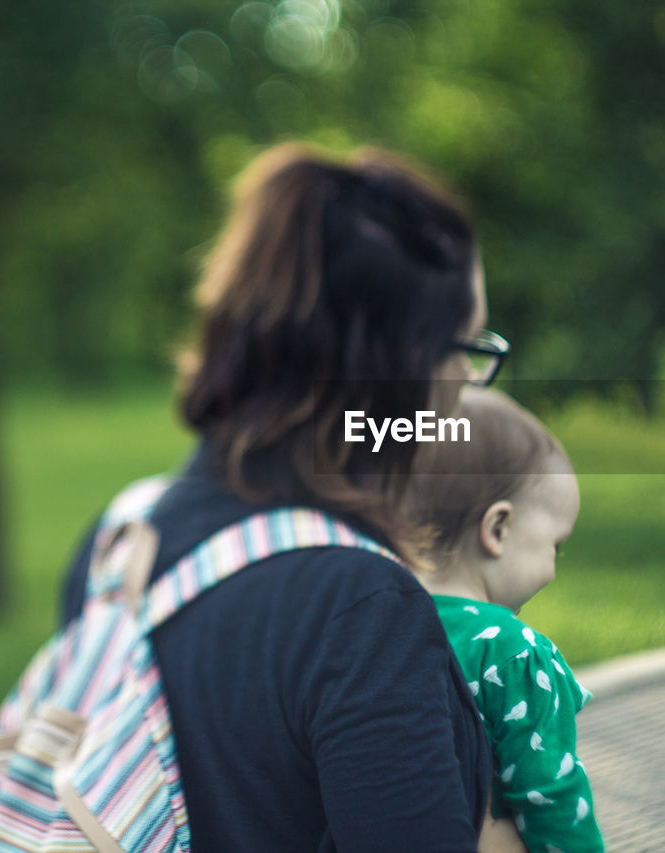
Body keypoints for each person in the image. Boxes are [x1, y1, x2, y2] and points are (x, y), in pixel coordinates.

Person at [55, 144, 514, 851]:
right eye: (467, 346)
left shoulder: (117, 537)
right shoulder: (360, 612)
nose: (467, 384)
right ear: (398, 370)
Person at [402, 388, 605, 853]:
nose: (554, 569)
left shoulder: (379, 623)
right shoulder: (513, 652)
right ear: (498, 529)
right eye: (556, 545)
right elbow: (553, 802)